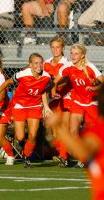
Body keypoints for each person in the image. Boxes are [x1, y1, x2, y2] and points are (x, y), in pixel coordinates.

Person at [0, 53, 53, 168]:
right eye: (36, 63)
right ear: (31, 65)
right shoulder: (22, 74)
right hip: (20, 105)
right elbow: (7, 82)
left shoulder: (46, 76)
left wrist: (46, 106)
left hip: (35, 106)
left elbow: (43, 90)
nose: (39, 66)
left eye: (40, 63)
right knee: (20, 136)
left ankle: (26, 157)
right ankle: (19, 145)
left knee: (33, 135)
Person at [52, 43, 104, 168]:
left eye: (76, 53)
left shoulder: (90, 67)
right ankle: (82, 158)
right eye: (72, 53)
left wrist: (93, 88)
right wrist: (53, 91)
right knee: (73, 131)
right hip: (77, 101)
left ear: (82, 55)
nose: (73, 55)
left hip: (91, 103)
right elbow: (55, 81)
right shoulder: (68, 67)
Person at [44, 36, 71, 167]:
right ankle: (63, 154)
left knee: (63, 129)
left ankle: (64, 157)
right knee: (54, 133)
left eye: (58, 47)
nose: (55, 50)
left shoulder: (67, 63)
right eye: (53, 47)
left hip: (64, 99)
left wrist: (54, 84)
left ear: (63, 48)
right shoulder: (46, 63)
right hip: (51, 100)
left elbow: (65, 80)